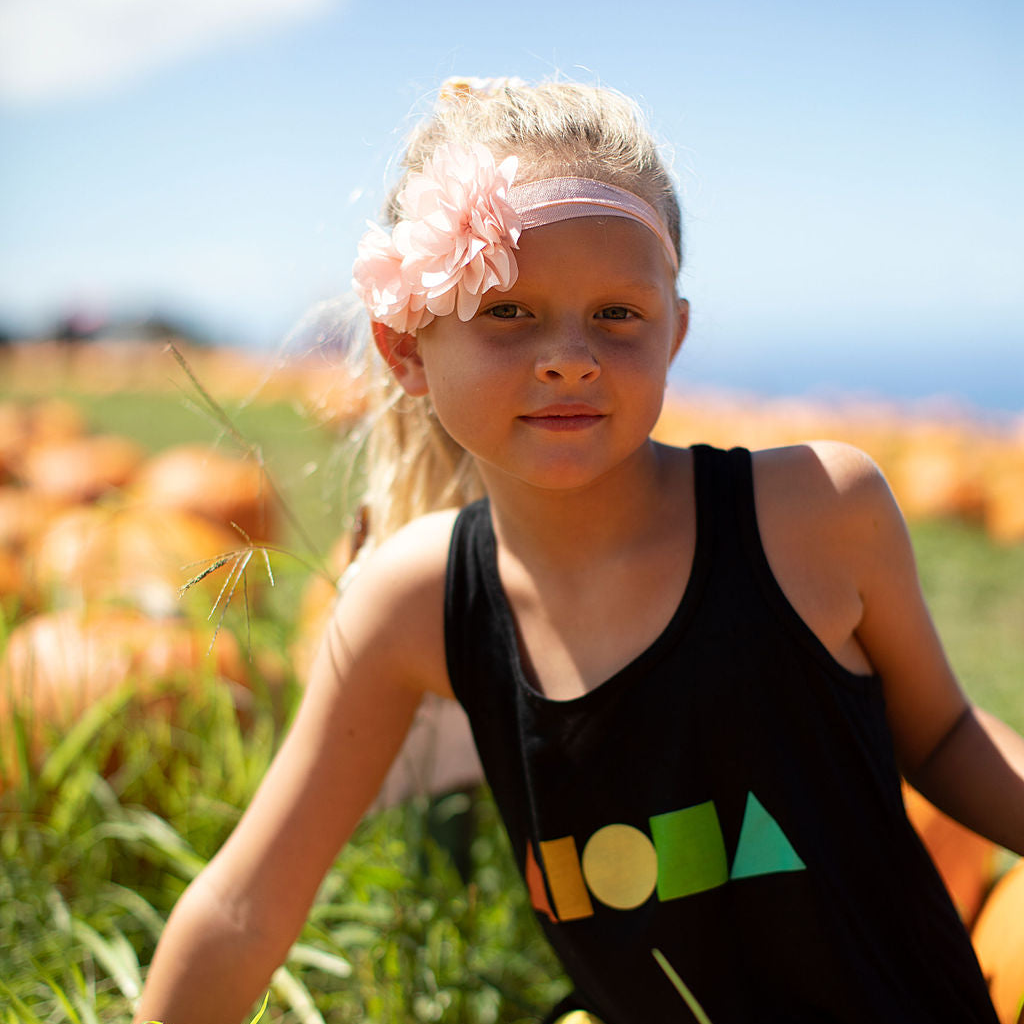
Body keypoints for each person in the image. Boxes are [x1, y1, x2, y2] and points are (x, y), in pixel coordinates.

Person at [134, 77, 1024, 1024]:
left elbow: (941, 736)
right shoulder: (413, 602)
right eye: (508, 313)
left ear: (674, 333)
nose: (570, 356)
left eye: (617, 314)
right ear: (406, 350)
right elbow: (247, 904)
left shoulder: (812, 510)